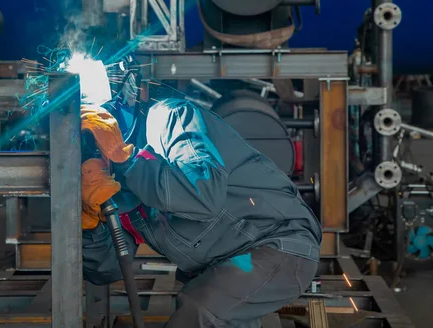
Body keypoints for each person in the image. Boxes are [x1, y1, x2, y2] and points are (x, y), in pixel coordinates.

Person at [79, 71, 322, 327]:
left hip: (277, 245)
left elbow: (203, 196)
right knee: (203, 305)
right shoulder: (115, 180)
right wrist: (89, 224)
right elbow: (110, 267)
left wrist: (125, 157)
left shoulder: (171, 118)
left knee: (198, 311)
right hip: (222, 266)